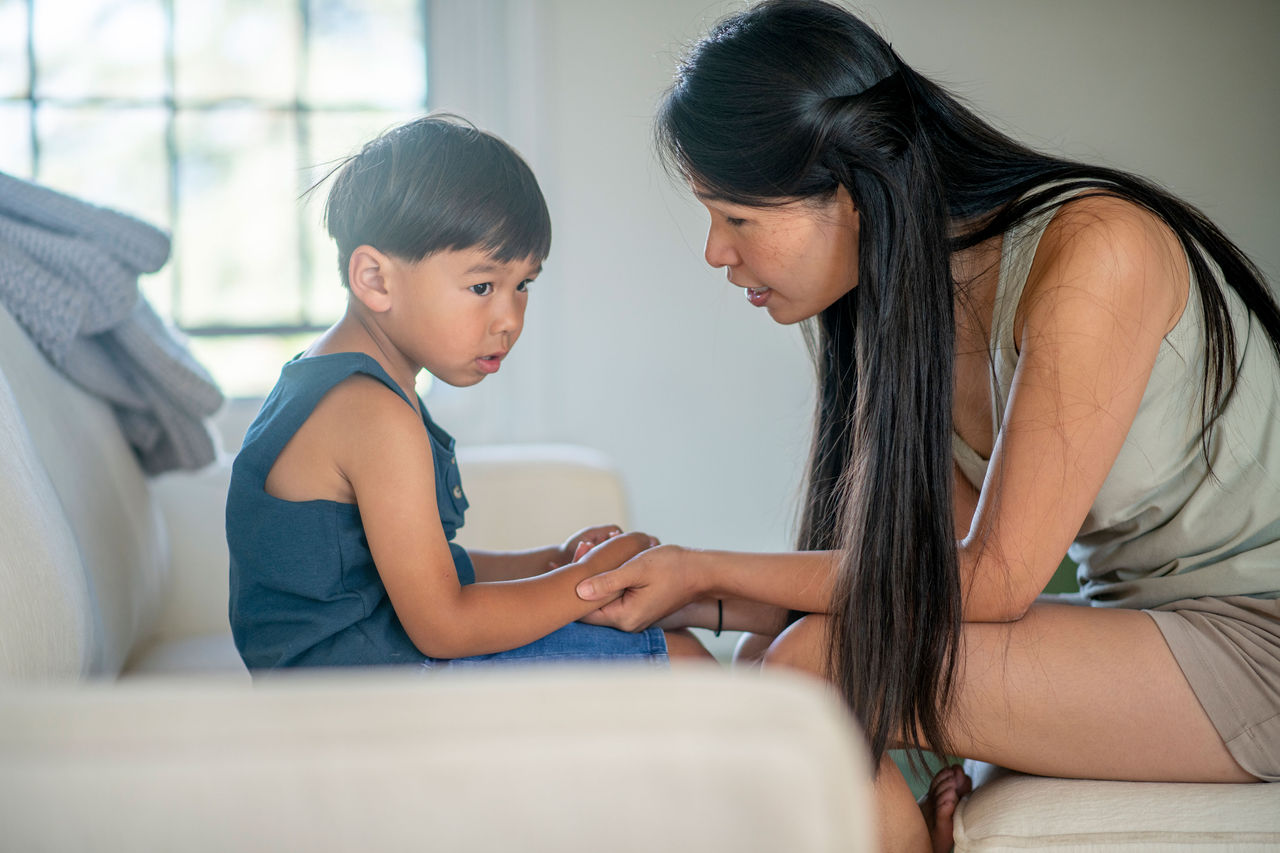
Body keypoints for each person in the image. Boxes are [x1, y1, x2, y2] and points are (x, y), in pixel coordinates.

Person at [572, 2, 1280, 851]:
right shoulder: (903, 304)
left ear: (850, 189)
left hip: (1257, 642)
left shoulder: (1098, 247)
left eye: (737, 217)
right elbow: (914, 578)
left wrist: (702, 566)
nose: (716, 252)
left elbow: (995, 582)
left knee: (806, 668)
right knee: (772, 670)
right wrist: (684, 593)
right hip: (1146, 629)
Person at [226, 114, 710, 673]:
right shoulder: (370, 412)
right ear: (375, 279)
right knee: (683, 659)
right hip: (358, 698)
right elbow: (443, 623)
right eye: (482, 286)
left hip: (364, 673)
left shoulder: (332, 380)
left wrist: (553, 562)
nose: (508, 318)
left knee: (662, 624)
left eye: (523, 285)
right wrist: (585, 584)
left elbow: (420, 572)